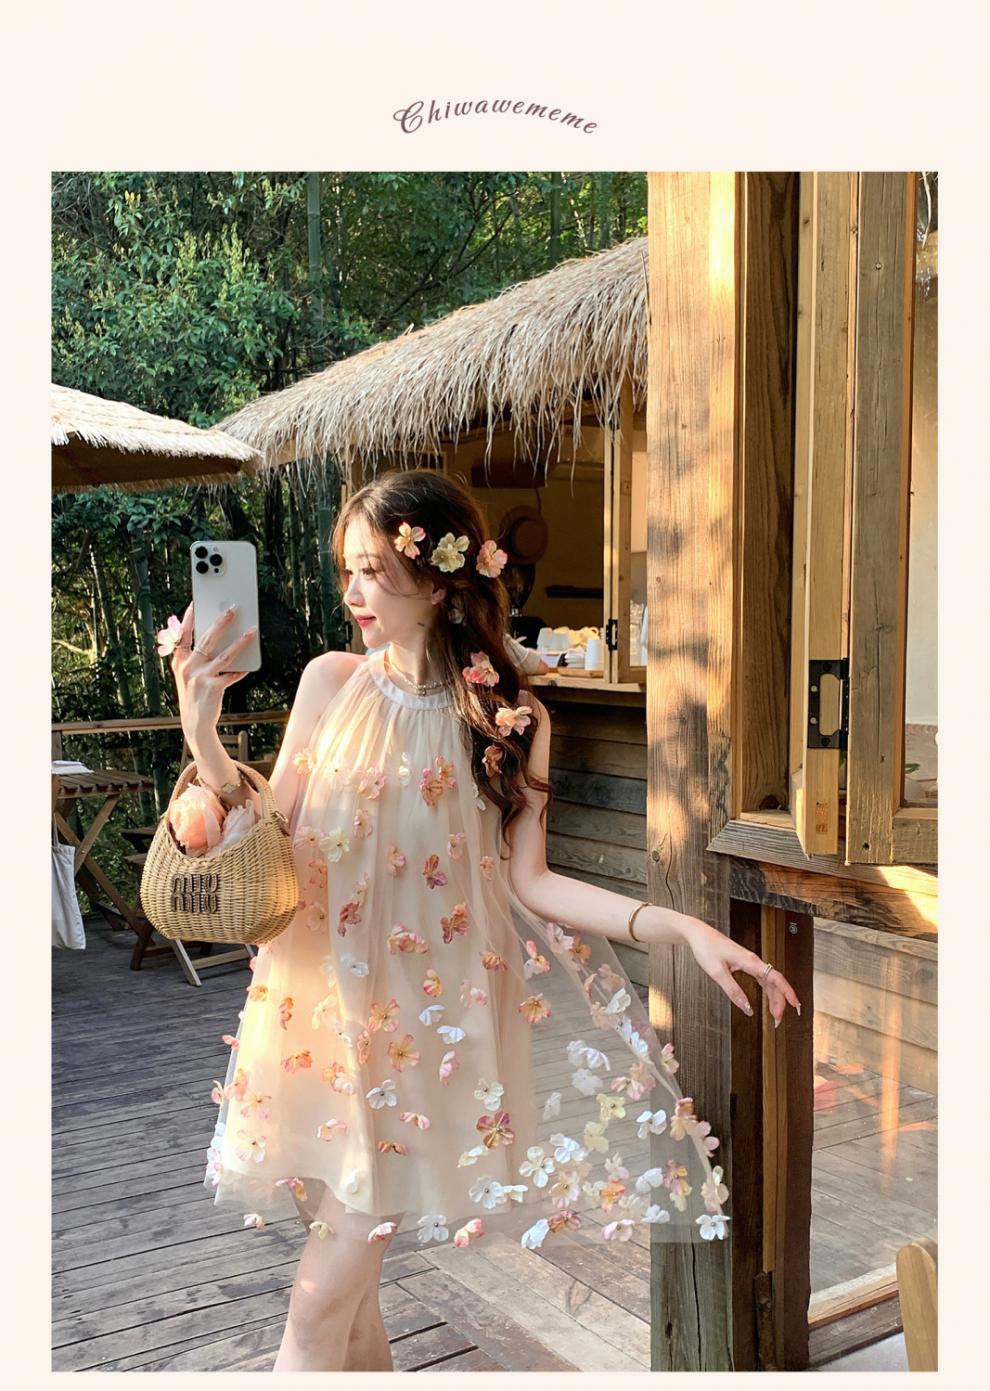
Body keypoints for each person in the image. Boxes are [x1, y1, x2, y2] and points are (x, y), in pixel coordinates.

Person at [164, 468, 800, 1373]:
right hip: (314, 1024)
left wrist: (680, 927)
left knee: (315, 1309)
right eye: (349, 569)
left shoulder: (511, 719)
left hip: (424, 1039)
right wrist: (203, 736)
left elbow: (532, 882)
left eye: (375, 570)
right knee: (349, 1303)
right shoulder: (329, 683)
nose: (353, 593)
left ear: (438, 580)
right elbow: (271, 834)